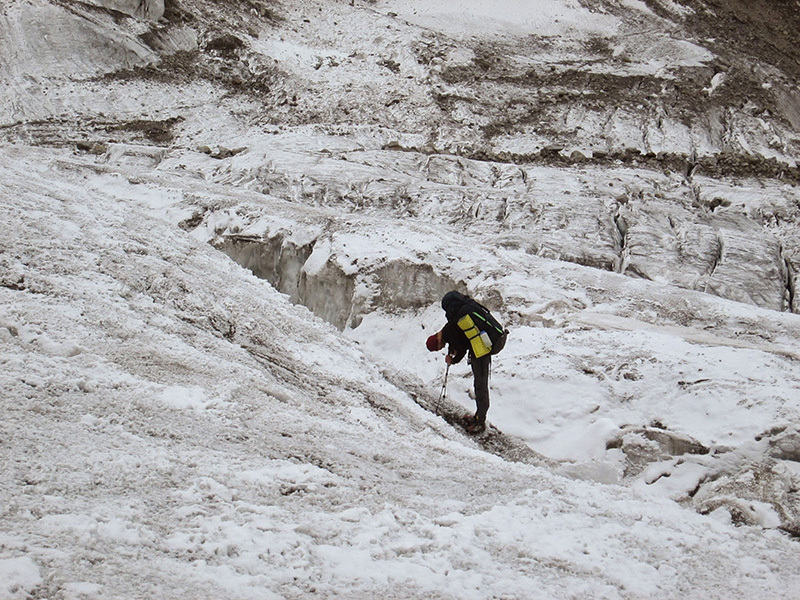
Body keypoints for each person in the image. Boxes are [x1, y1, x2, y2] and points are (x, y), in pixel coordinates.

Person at [426, 291, 505, 433]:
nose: (441, 349)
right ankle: (478, 417)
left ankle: (480, 422)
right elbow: (461, 339)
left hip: (482, 350)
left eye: (438, 348)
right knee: (479, 384)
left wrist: (453, 360)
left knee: (480, 385)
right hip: (484, 345)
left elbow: (461, 349)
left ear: (437, 343)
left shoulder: (448, 331)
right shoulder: (448, 328)